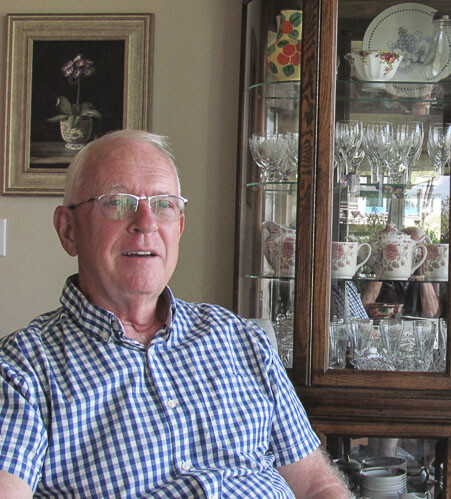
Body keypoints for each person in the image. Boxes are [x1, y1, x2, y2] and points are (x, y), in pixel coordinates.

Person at [0, 130, 351, 498]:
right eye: (118, 202)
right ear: (67, 230)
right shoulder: (22, 371)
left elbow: (315, 485)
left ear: (179, 227)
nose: (146, 223)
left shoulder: (241, 340)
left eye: (164, 204)